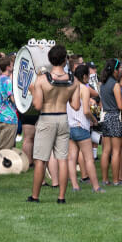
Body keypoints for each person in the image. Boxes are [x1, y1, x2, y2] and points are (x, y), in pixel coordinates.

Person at [28, 44, 80, 203]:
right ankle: (61, 197)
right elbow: (76, 106)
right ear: (65, 60)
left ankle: (35, 196)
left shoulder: (42, 80)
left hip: (47, 118)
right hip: (63, 118)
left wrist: (32, 90)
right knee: (62, 158)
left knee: (41, 160)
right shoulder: (74, 81)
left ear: (50, 60)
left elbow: (37, 105)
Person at [67, 64, 103, 193]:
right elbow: (87, 111)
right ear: (84, 76)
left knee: (72, 158)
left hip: (70, 126)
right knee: (89, 159)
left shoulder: (68, 87)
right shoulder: (84, 89)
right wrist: (94, 120)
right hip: (81, 127)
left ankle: (75, 186)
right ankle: (96, 187)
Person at [98, 59, 122, 186]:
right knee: (116, 151)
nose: (120, 71)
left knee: (106, 150)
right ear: (115, 70)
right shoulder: (115, 85)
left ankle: (105, 179)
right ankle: (115, 180)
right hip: (115, 117)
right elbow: (120, 105)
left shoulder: (102, 84)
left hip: (106, 116)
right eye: (119, 68)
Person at [0, 54, 19, 150]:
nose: (13, 67)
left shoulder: (0, 79)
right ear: (8, 67)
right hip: (9, 118)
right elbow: (12, 98)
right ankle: (0, 165)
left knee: (3, 146)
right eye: (12, 65)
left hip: (1, 116)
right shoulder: (8, 81)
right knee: (5, 149)